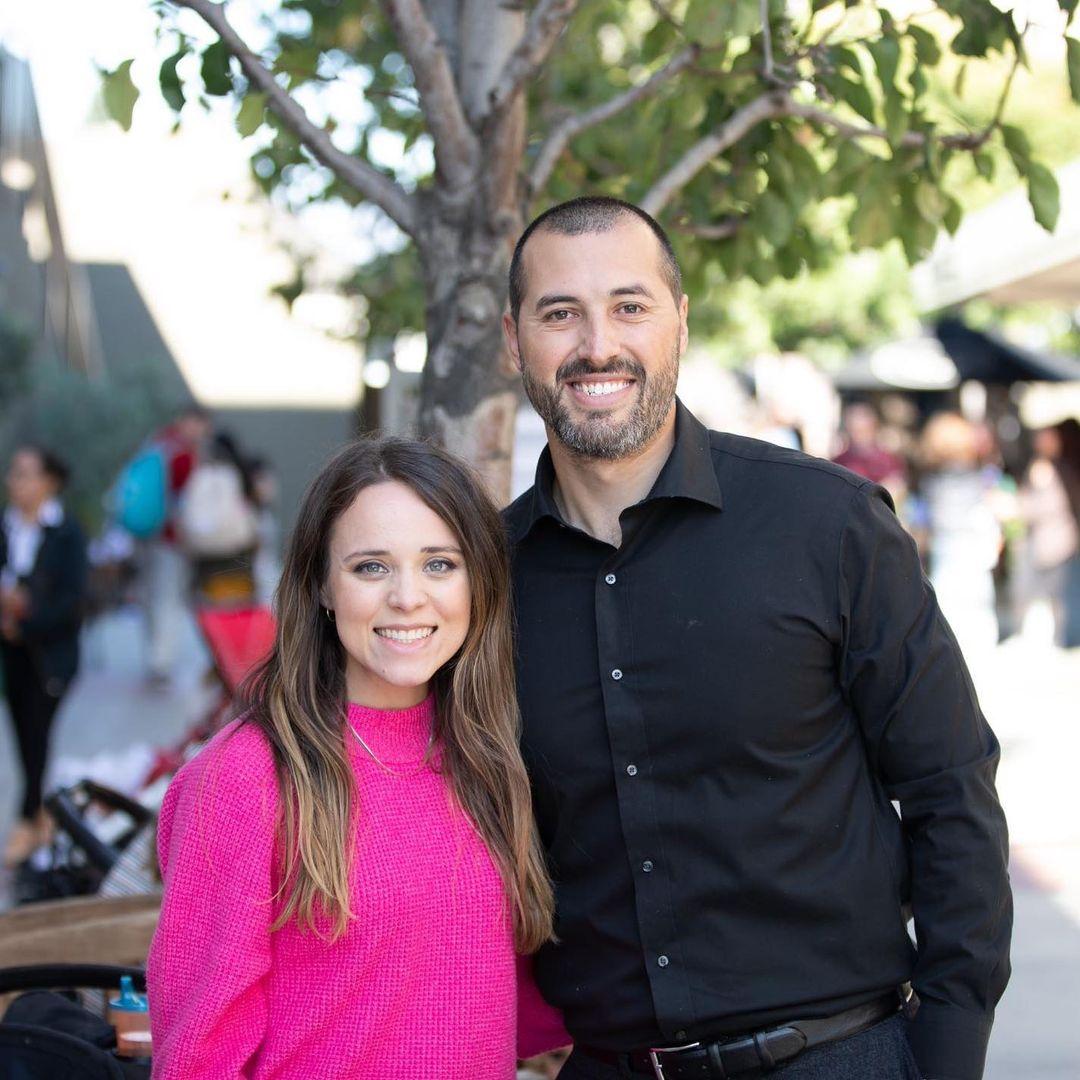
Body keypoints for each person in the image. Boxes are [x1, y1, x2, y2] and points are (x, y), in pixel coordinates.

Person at [501, 197, 1010, 1080]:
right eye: (559, 314)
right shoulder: (485, 577)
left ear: (679, 323)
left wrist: (950, 1048)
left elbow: (950, 789)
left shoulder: (827, 524)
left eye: (629, 306)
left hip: (839, 1055)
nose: (596, 346)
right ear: (515, 340)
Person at [147, 437, 567, 1079]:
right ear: (321, 583)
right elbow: (198, 1055)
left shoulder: (488, 751)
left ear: (479, 581)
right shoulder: (246, 776)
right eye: (371, 566)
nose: (407, 597)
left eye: (440, 564)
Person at [1, 444, 87, 866]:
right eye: (13, 473)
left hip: (50, 655)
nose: (15, 482)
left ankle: (26, 818)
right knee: (23, 735)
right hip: (12, 654)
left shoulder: (67, 532)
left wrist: (26, 620)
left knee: (37, 733)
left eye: (25, 474)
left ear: (49, 481)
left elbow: (72, 602)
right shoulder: (7, 528)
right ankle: (37, 814)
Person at [138, 404, 211, 688]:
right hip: (172, 539)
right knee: (167, 598)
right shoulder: (183, 454)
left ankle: (155, 657)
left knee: (154, 596)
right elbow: (187, 500)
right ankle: (161, 662)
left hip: (149, 534)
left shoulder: (157, 442)